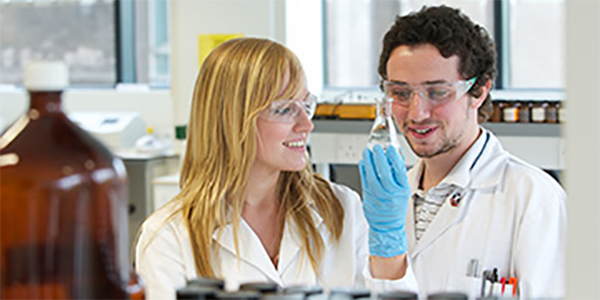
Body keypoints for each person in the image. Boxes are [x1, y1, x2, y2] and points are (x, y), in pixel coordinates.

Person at [135, 37, 416, 300]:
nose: (307, 124)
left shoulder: (341, 208)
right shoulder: (168, 237)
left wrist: (389, 246)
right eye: (284, 110)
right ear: (231, 121)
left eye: (306, 105)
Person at [359, 5, 566, 299]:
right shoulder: (386, 206)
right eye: (401, 93)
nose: (417, 113)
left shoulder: (536, 201)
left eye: (437, 91)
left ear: (478, 91)